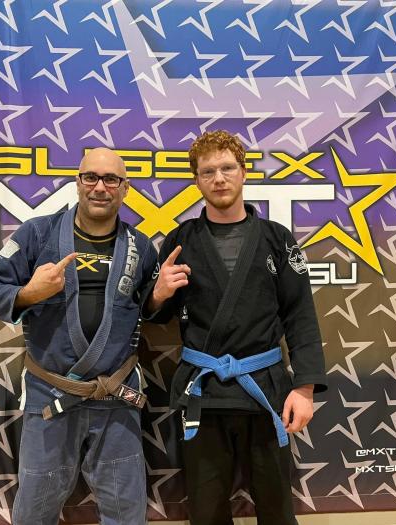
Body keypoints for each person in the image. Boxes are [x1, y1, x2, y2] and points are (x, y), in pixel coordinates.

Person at [144, 130, 327, 525]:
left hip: (265, 389)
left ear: (244, 173)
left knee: (277, 509)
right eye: (208, 171)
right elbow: (157, 316)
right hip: (204, 392)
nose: (219, 179)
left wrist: (305, 388)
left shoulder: (276, 239)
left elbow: (300, 315)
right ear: (196, 180)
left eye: (227, 168)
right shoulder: (180, 240)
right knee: (206, 511)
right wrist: (157, 295)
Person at [0, 147, 157, 525]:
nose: (100, 187)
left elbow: (149, 311)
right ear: (77, 182)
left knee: (127, 515)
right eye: (90, 177)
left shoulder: (141, 247)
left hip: (115, 398)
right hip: (51, 394)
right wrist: (30, 293)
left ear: (125, 188)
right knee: (34, 513)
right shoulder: (36, 234)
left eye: (111, 179)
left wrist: (160, 297)